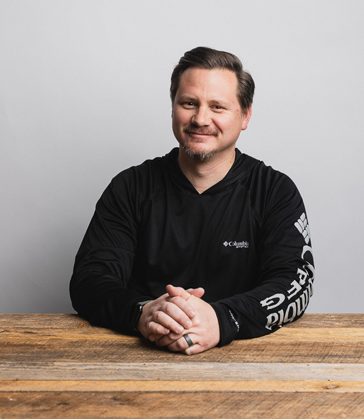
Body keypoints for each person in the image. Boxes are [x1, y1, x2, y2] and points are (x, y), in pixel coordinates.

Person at [70, 47, 315, 355]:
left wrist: (221, 319)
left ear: (245, 115)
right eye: (189, 103)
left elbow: (294, 283)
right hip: (135, 357)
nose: (201, 119)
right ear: (173, 108)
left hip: (247, 359)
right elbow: (89, 281)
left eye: (217, 107)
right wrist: (143, 312)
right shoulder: (130, 187)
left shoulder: (274, 191)